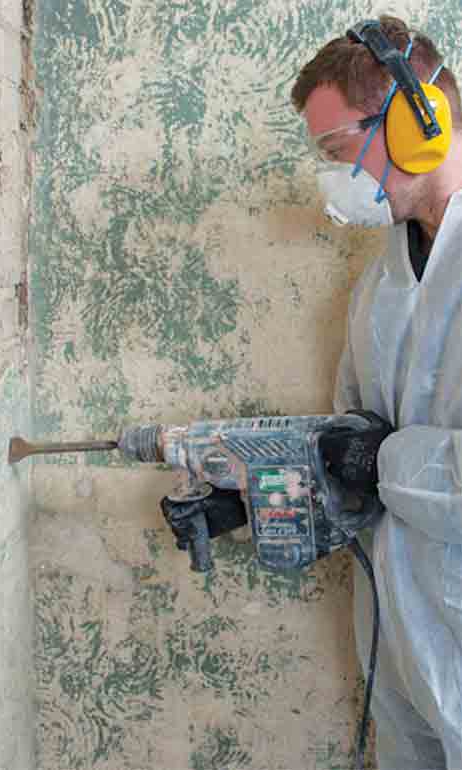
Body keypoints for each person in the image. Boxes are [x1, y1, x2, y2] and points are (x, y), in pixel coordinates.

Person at [291, 15, 462, 769]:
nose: (335, 179)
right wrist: (268, 490)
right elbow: (352, 432)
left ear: (416, 122)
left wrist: (382, 462)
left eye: (337, 152)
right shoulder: (378, 287)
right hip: (401, 634)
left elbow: (377, 453)